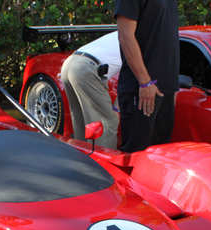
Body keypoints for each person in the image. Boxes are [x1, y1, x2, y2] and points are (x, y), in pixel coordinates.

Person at [115, 0, 180, 152]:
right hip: (142, 90)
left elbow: (167, 39)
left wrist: (173, 87)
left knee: (161, 156)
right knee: (136, 154)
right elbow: (125, 36)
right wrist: (145, 82)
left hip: (165, 90)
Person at [60, 31, 121, 149]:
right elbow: (129, 77)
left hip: (69, 63)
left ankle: (81, 162)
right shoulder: (138, 37)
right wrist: (116, 108)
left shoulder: (121, 31)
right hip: (86, 69)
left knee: (81, 122)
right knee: (107, 122)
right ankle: (101, 164)